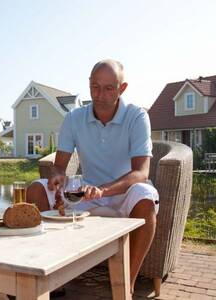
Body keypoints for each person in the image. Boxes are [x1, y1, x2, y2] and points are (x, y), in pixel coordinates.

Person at [26, 59, 159, 295]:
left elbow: (141, 172)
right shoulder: (74, 118)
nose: (100, 94)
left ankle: (126, 284)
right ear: (89, 85)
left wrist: (105, 190)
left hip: (125, 193)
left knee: (146, 194)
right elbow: (59, 167)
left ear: (122, 88)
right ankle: (50, 277)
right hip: (86, 193)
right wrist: (57, 177)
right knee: (37, 188)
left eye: (109, 88)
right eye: (95, 87)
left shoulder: (137, 116)